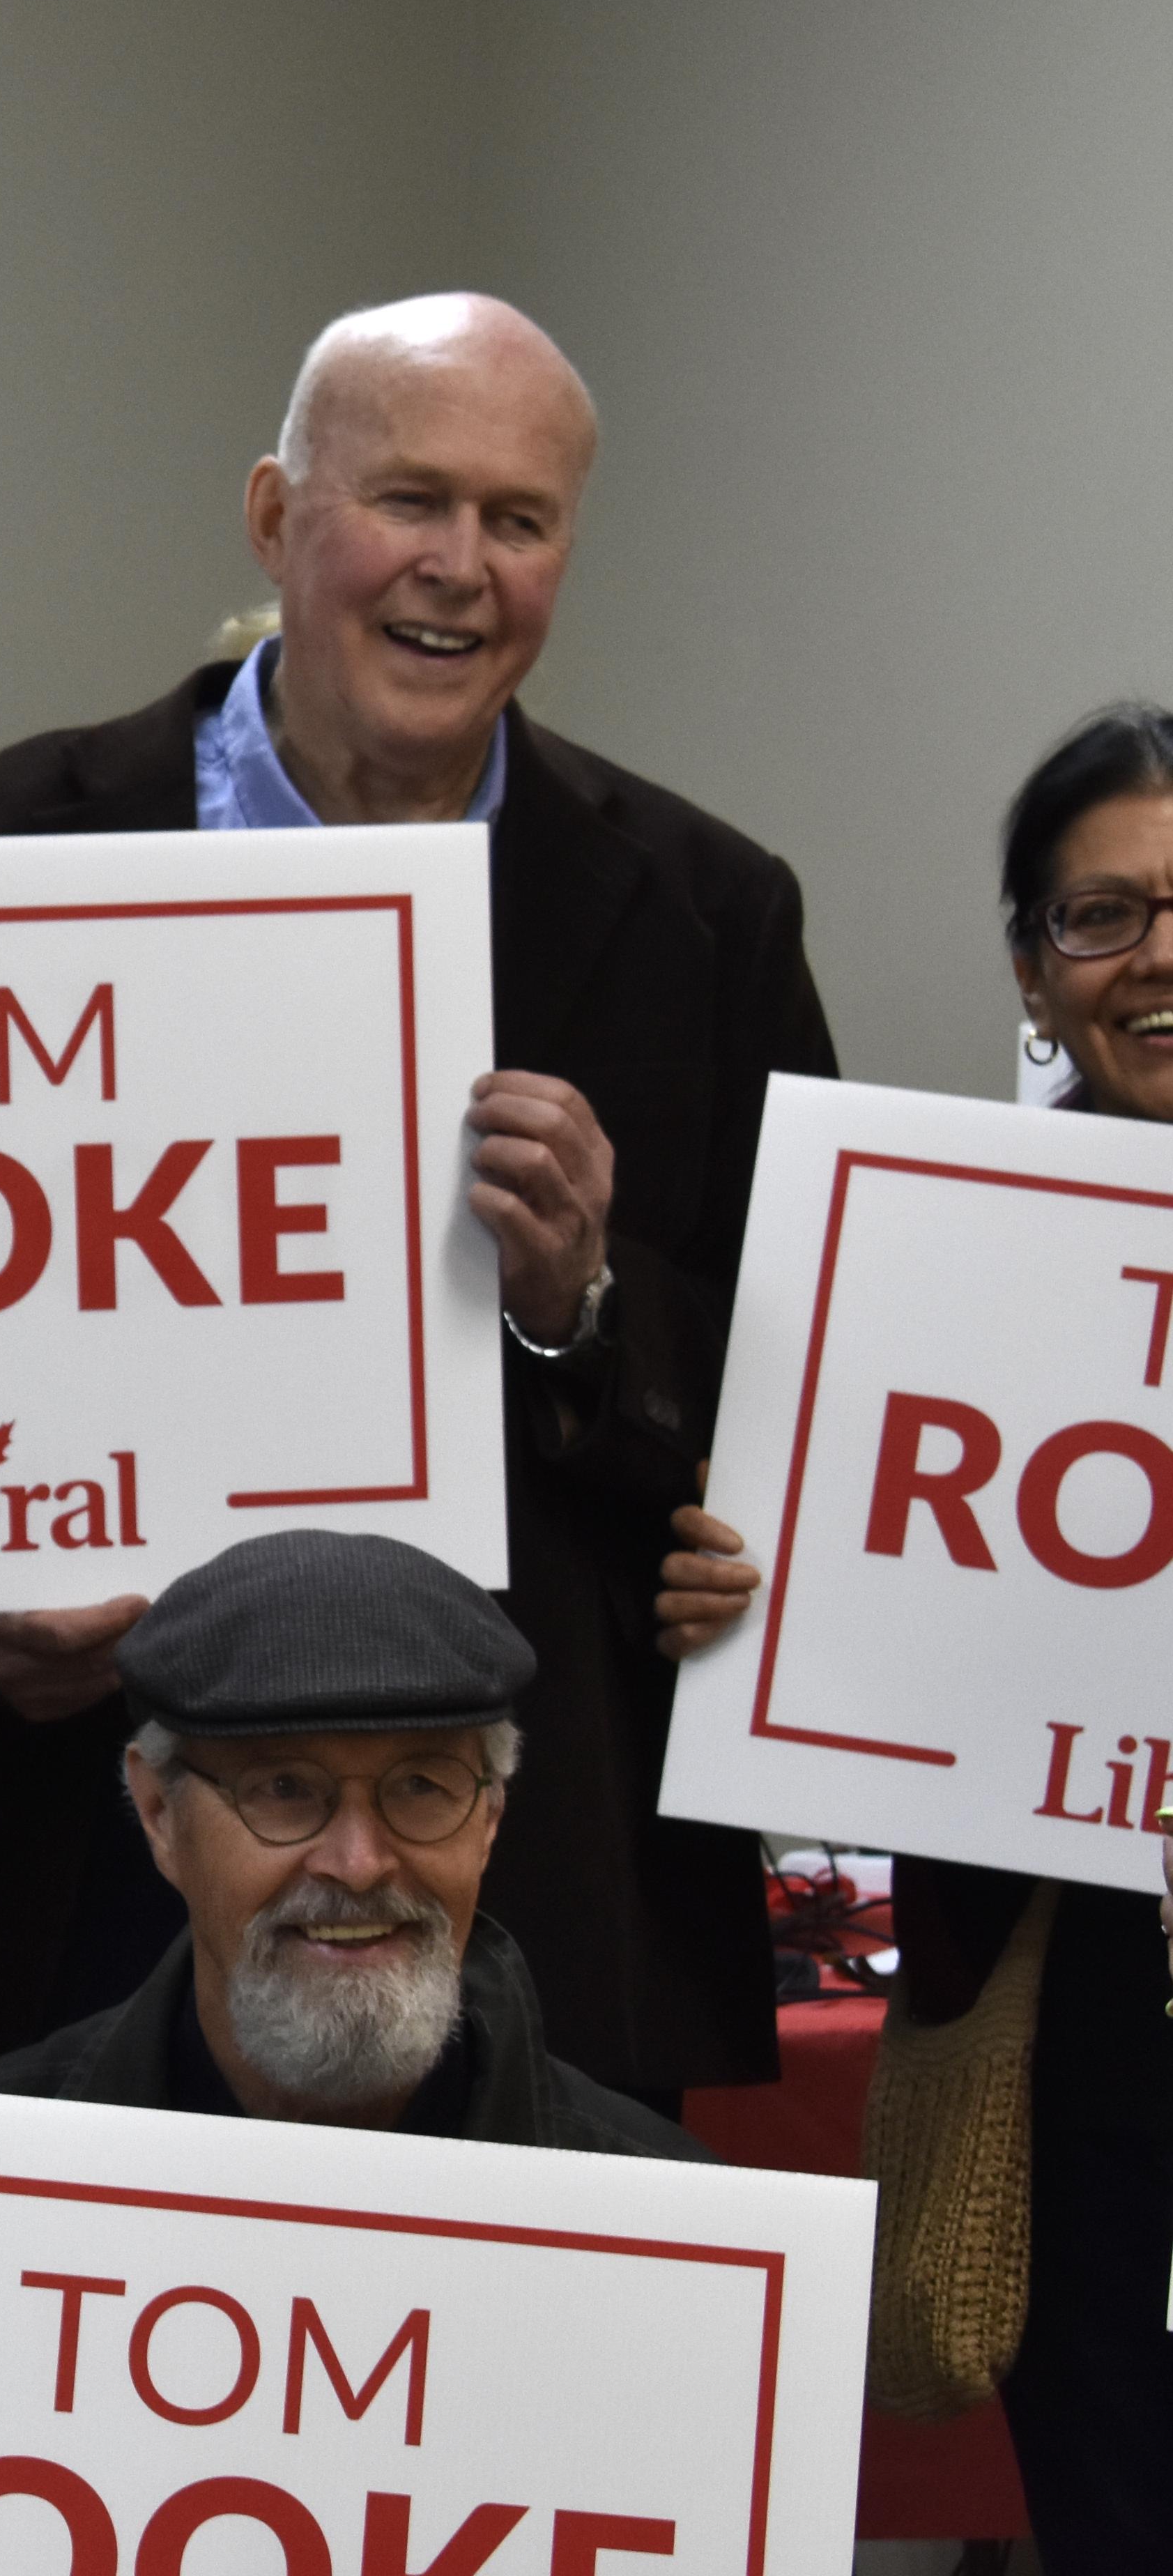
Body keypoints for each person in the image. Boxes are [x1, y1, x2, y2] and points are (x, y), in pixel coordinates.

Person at [0, 292, 841, 2113]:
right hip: (51, 1863)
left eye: (520, 519)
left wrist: (585, 1304)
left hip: (520, 1885)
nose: (461, 566)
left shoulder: (706, 915)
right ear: (277, 518)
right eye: (410, 499)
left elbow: (802, 1418)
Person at [659, 703, 1173, 2566]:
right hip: (1076, 2040)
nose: (1155, 956)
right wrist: (746, 1600)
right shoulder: (933, 1262)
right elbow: (861, 1629)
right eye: (1099, 917)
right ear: (1034, 973)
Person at [0, 1531, 700, 2159]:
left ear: (490, 1816)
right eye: (285, 1788)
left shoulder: (671, 2219)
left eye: (419, 1786)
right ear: (160, 1814)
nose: (358, 1865)